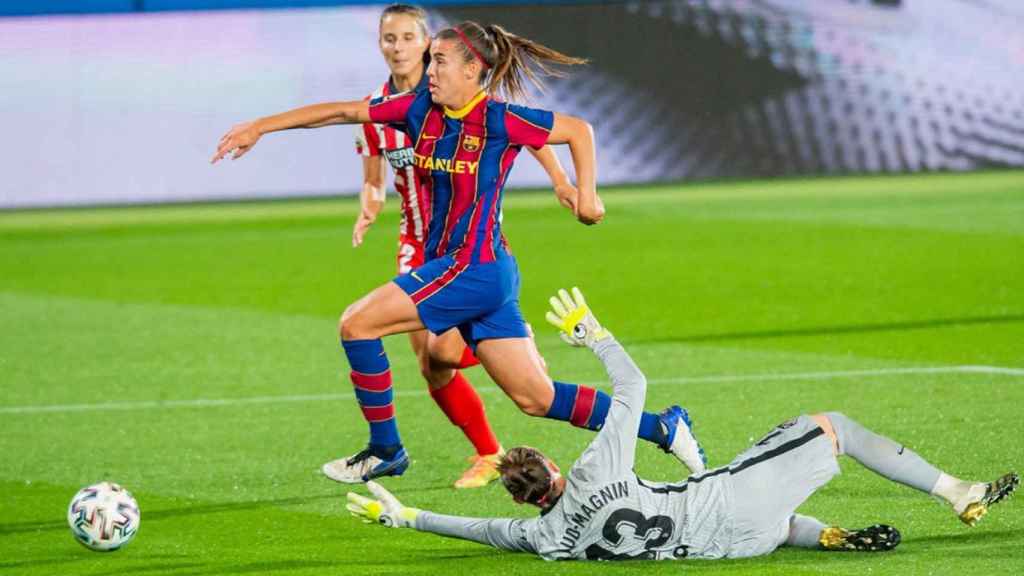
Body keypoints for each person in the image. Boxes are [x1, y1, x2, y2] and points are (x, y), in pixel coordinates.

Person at [212, 20, 707, 485]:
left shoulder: (499, 119)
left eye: (440, 62)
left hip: (473, 268)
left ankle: (386, 450)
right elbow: (343, 111)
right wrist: (260, 125)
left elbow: (579, 129)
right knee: (537, 398)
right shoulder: (416, 111)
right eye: (430, 62)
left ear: (472, 71)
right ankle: (663, 429)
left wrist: (585, 193)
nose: (430, 72)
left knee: (356, 325)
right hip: (475, 272)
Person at [346, 287, 1019, 561]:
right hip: (731, 501)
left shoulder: (545, 539)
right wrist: (594, 335)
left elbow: (477, 531)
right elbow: (633, 385)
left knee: (762, 512)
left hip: (742, 545)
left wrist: (405, 516)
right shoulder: (592, 469)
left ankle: (827, 536)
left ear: (524, 498)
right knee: (831, 423)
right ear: (551, 468)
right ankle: (955, 489)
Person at [346, 4, 577, 489]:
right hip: (417, 241)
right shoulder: (378, 111)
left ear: (428, 43)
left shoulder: (459, 95)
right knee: (433, 364)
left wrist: (560, 179)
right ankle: (488, 451)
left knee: (437, 353)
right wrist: (369, 204)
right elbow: (374, 178)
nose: (398, 46)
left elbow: (524, 132)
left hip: (471, 242)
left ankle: (515, 345)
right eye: (389, 38)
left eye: (409, 37)